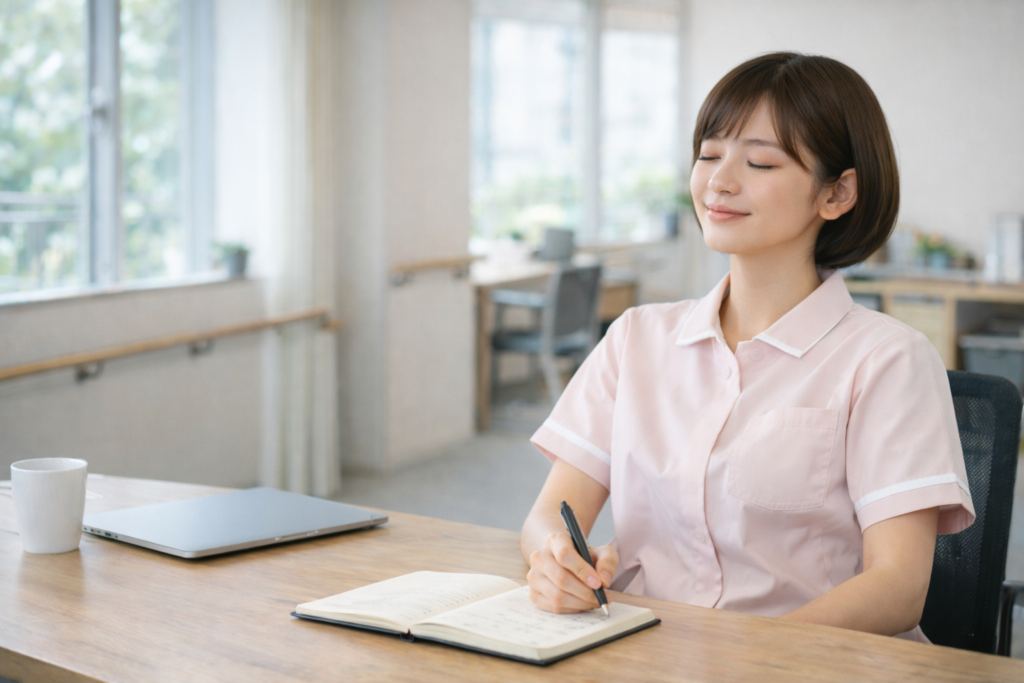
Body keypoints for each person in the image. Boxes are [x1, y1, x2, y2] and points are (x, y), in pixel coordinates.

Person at [520, 52, 974, 642]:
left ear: (836, 194)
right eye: (709, 154)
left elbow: (897, 589)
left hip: (807, 667)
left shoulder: (888, 360)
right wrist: (554, 566)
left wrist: (743, 659)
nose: (719, 180)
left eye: (759, 161)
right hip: (645, 655)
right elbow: (547, 520)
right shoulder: (636, 337)